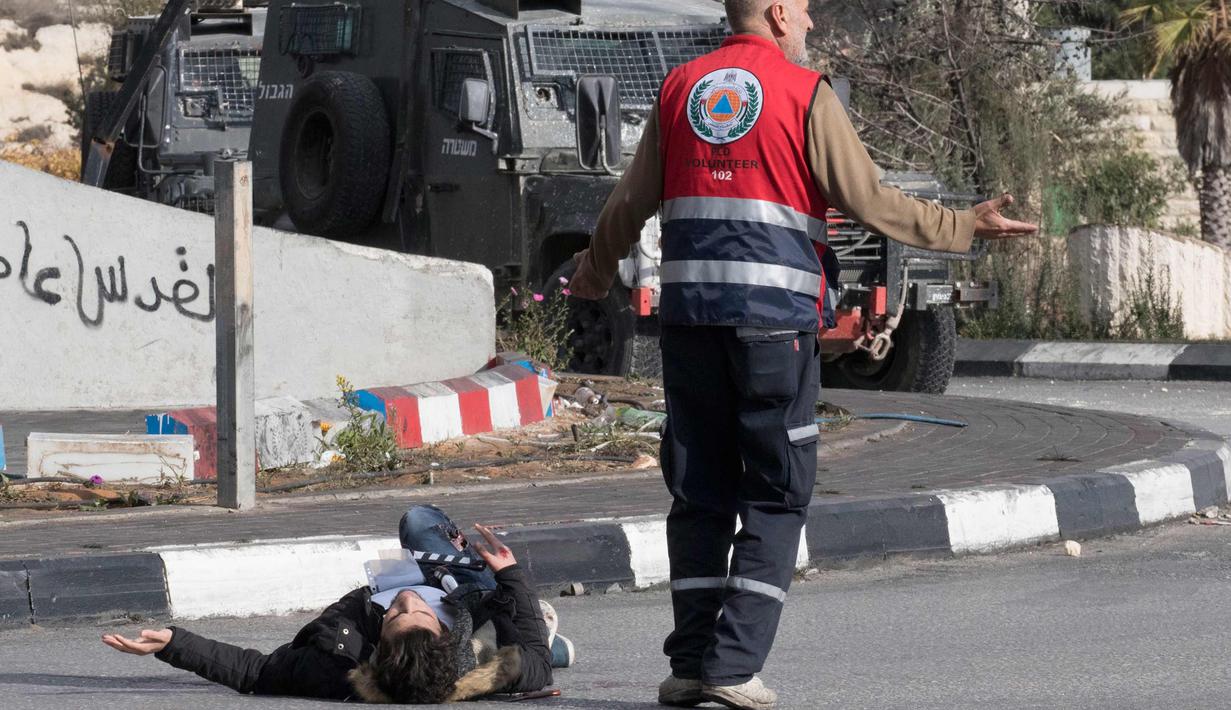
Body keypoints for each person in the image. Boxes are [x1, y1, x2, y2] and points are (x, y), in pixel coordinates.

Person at [568, 1, 1038, 708]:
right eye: (808, 12)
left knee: (697, 493)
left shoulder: (680, 88)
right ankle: (731, 667)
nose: (812, 25)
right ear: (779, 13)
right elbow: (870, 201)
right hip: (773, 329)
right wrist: (963, 226)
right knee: (775, 492)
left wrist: (593, 275)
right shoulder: (800, 92)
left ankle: (691, 664)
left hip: (690, 324)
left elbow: (629, 201)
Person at [101, 505, 566, 703]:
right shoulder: (481, 668)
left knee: (403, 544)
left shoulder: (335, 671)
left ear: (377, 649)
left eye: (395, 617)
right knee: (421, 522)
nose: (405, 602)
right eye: (415, 611)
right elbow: (536, 665)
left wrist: (171, 644)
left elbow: (255, 672)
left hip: (398, 593)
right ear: (446, 634)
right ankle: (544, 627)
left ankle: (546, 628)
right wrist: (508, 573)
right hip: (469, 595)